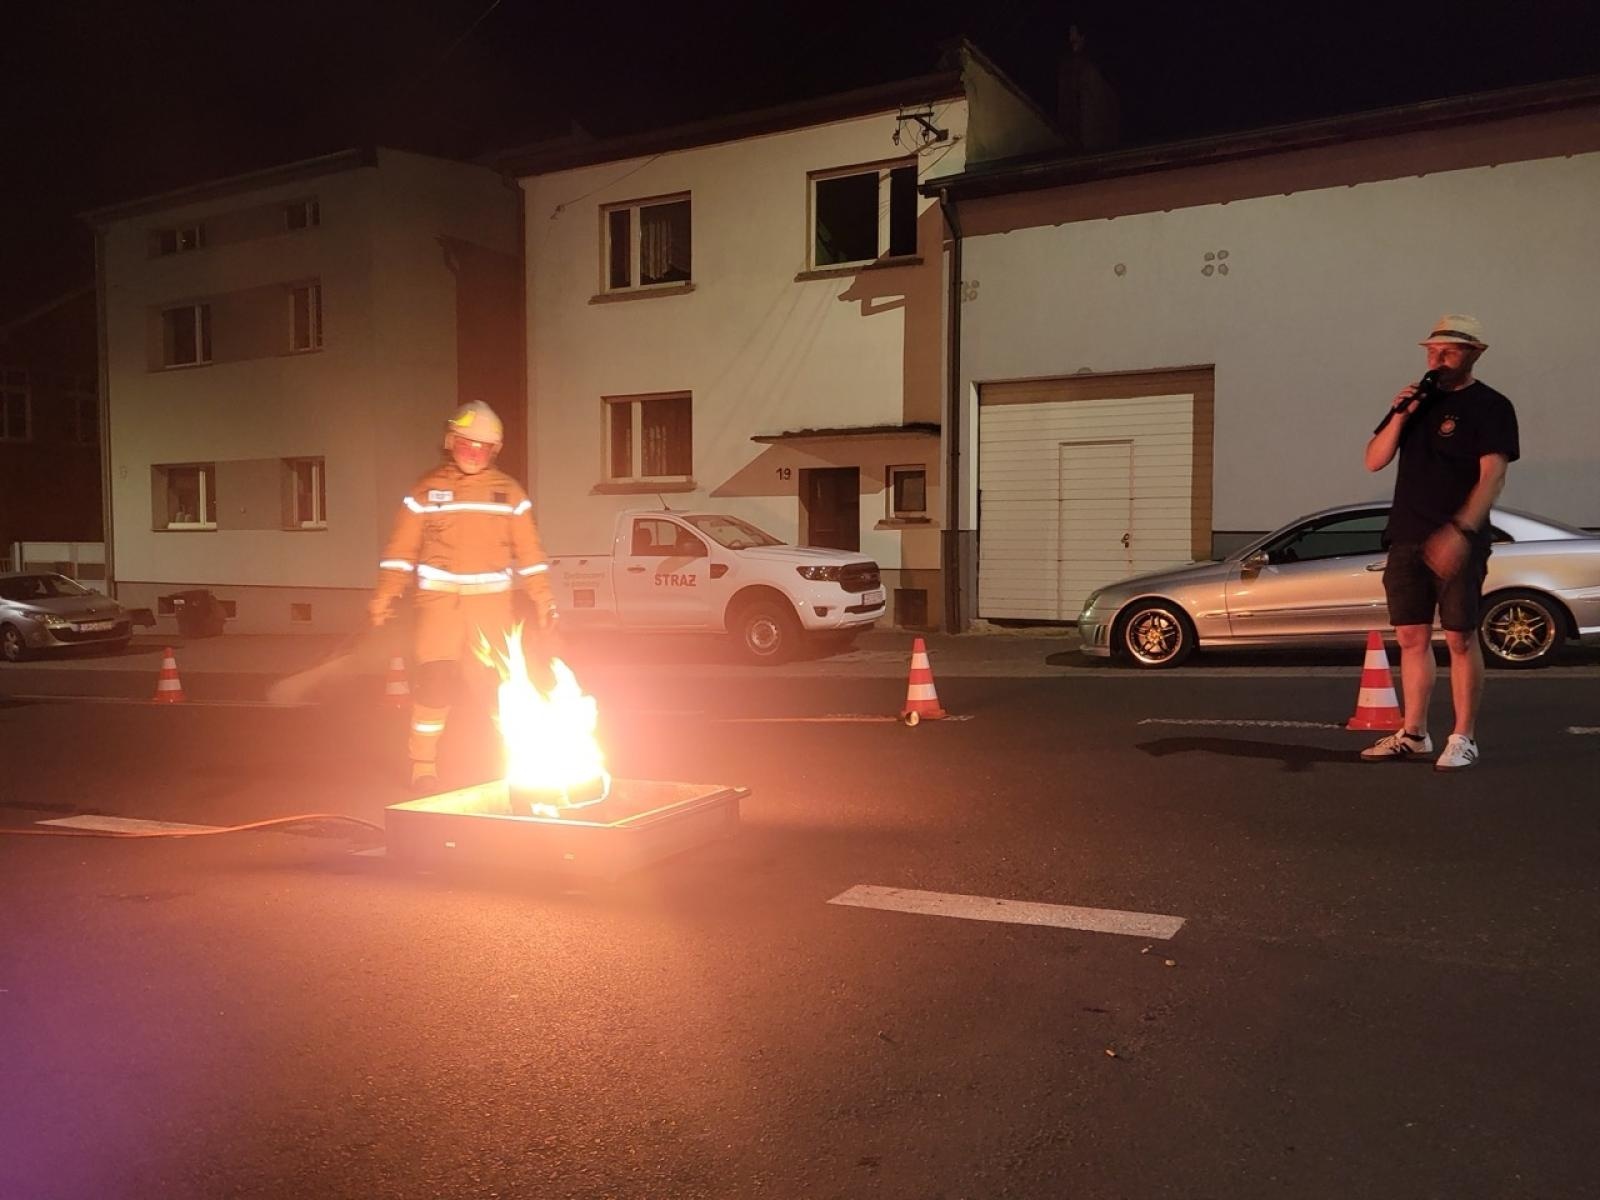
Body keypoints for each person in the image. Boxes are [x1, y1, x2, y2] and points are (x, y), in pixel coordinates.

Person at [369, 401, 557, 790]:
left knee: (499, 688)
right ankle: (423, 766)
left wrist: (543, 599)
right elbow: (401, 549)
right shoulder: (425, 491)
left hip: (492, 613)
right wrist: (385, 594)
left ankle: (517, 765)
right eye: (465, 444)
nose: (472, 453)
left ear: (494, 450)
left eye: (481, 448)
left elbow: (530, 553)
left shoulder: (509, 494)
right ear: (449, 442)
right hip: (440, 610)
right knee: (435, 683)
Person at [1360, 315, 1519, 770]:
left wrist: (1461, 530)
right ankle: (1414, 733)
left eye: (1448, 351)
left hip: (1459, 538)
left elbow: (1493, 476)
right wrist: (1401, 414)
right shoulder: (1416, 403)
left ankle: (1463, 736)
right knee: (1411, 636)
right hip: (1407, 534)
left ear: (1474, 354)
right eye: (1432, 351)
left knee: (1459, 637)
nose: (1437, 359)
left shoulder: (1491, 405)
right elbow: (1373, 459)